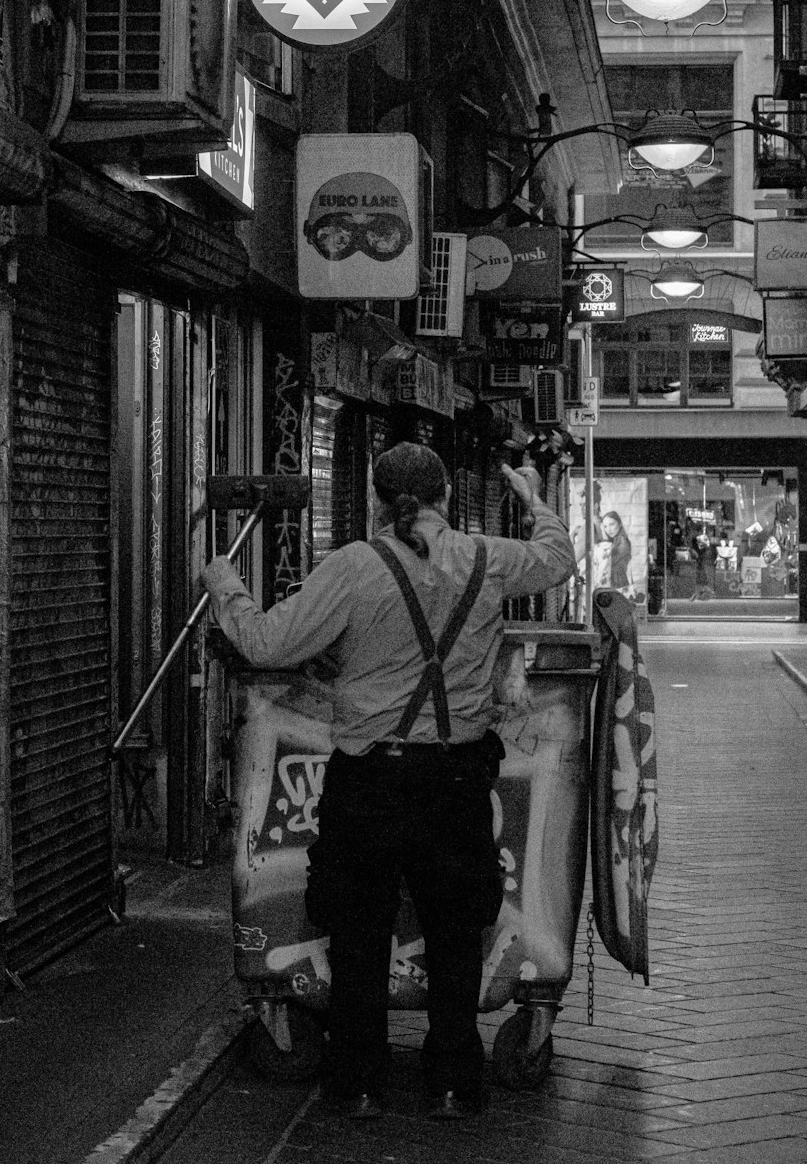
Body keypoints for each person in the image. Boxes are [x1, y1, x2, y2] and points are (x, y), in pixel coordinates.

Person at [201, 443, 576, 1122]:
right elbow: (557, 557)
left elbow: (264, 644)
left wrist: (224, 579)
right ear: (448, 499)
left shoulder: (352, 566)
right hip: (457, 780)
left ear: (375, 499)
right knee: (459, 933)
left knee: (359, 930)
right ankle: (455, 1084)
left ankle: (361, 1082)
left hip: (368, 779)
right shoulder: (488, 558)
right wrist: (531, 497)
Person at [594, 509, 632, 592]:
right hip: (617, 584)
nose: (609, 529)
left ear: (620, 524)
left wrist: (604, 536)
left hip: (618, 586)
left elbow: (609, 561)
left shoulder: (622, 541)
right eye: (605, 526)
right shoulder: (615, 541)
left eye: (611, 524)